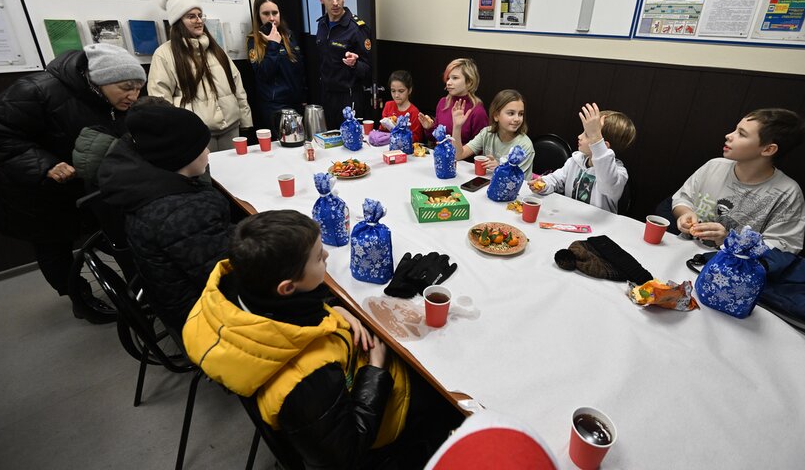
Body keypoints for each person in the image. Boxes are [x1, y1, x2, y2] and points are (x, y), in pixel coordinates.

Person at [183, 210, 463, 469]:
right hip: (373, 415)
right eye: (318, 257)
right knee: (445, 392)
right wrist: (375, 370)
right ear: (288, 287)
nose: (327, 256)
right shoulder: (305, 380)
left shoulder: (243, 294)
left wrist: (333, 308)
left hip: (341, 377)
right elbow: (346, 452)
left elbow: (287, 312)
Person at [0, 44, 145, 320]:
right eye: (126, 87)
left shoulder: (108, 98)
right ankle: (80, 300)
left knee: (108, 233)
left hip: (79, 185)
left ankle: (133, 289)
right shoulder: (36, 90)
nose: (133, 96)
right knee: (54, 247)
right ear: (100, 79)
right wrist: (45, 165)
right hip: (34, 189)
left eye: (138, 88)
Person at [98, 105, 232, 332]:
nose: (208, 152)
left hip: (170, 297)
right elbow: (228, 280)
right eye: (201, 147)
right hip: (202, 316)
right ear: (181, 155)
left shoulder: (147, 187)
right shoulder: (183, 211)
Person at [671, 108, 805, 253]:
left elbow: (784, 247)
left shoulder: (787, 192)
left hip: (735, 269)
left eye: (741, 134)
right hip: (683, 251)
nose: (729, 136)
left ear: (768, 150)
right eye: (735, 130)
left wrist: (728, 240)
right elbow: (683, 199)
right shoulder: (714, 166)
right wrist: (685, 214)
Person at [148, 0, 252, 151]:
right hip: (194, 133)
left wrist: (245, 120)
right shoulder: (164, 54)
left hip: (231, 128)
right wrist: (174, 132)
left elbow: (237, 86)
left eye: (200, 15)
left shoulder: (216, 50)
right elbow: (160, 98)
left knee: (234, 173)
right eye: (191, 16)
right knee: (204, 174)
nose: (198, 20)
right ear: (178, 22)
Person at [528, 103, 636, 214]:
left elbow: (607, 185)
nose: (580, 136)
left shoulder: (618, 174)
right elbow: (556, 180)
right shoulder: (575, 161)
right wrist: (544, 184)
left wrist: (596, 136)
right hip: (570, 217)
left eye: (587, 135)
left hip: (599, 227)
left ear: (603, 145)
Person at [315, 0, 372, 130]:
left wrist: (355, 64)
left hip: (349, 96)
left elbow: (368, 69)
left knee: (350, 144)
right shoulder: (321, 25)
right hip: (327, 96)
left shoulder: (357, 28)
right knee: (330, 144)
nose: (335, 2)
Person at [247, 0, 307, 132]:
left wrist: (303, 97)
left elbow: (300, 70)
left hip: (296, 103)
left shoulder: (289, 36)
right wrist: (273, 45)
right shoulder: (253, 41)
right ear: (258, 16)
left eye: (275, 13)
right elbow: (263, 74)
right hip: (275, 106)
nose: (272, 18)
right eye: (266, 14)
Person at [453, 89, 534, 179]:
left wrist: (500, 168)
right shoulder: (487, 133)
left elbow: (518, 181)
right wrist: (457, 127)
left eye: (521, 114)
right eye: (511, 113)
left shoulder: (525, 145)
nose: (517, 119)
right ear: (496, 115)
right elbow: (458, 155)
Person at [418, 58, 488, 144]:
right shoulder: (443, 103)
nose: (448, 83)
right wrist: (429, 128)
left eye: (455, 78)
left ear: (469, 82)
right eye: (448, 78)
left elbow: (480, 147)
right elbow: (435, 138)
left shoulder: (477, 111)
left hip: (462, 157)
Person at [381, 70, 423, 143]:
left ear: (409, 90)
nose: (396, 95)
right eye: (393, 91)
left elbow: (416, 138)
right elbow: (382, 130)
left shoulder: (414, 112)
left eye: (401, 91)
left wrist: (402, 133)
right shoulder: (388, 105)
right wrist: (384, 125)